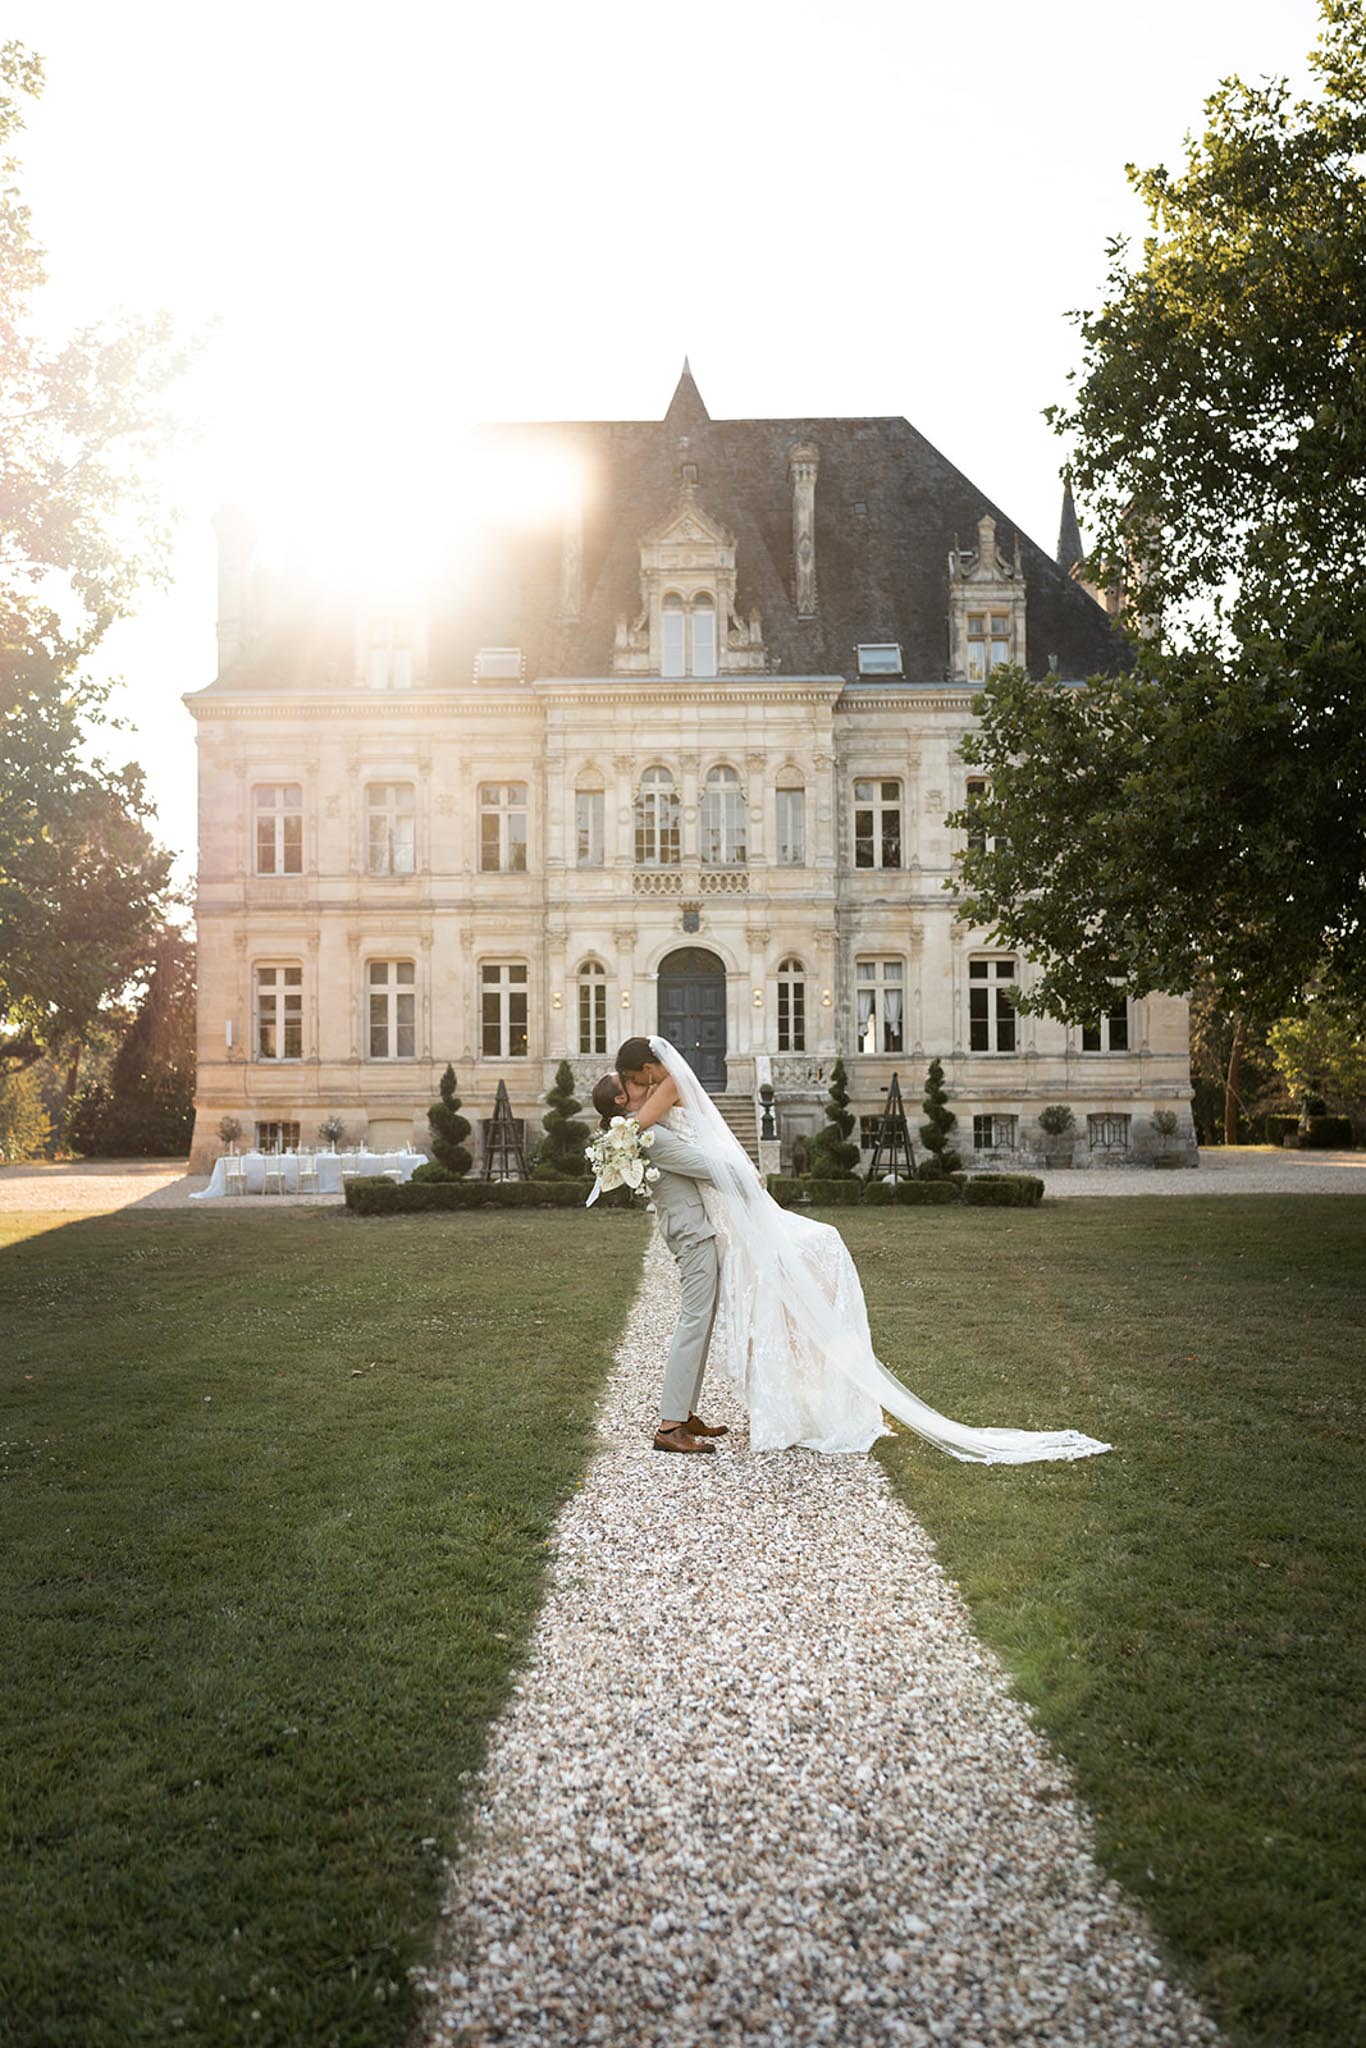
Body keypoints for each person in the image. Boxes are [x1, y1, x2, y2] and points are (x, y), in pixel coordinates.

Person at [611, 1034, 1113, 1464]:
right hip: (705, 1227)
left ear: (649, 1070)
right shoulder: (659, 1111)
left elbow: (653, 1128)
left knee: (760, 1282)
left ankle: (684, 1415)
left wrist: (626, 1132)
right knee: (703, 1316)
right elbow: (651, 1135)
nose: (635, 1093)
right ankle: (673, 1422)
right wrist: (625, 1134)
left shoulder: (665, 1096)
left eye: (634, 1082)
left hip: (714, 1222)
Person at [589, 1052, 730, 1456]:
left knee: (700, 1321)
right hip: (692, 1235)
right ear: (623, 1099)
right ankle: (670, 1426)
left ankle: (684, 1412)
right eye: (632, 1083)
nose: (645, 1085)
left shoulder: (644, 1128)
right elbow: (706, 1167)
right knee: (693, 1322)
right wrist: (748, 1177)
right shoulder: (650, 1135)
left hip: (691, 1229)